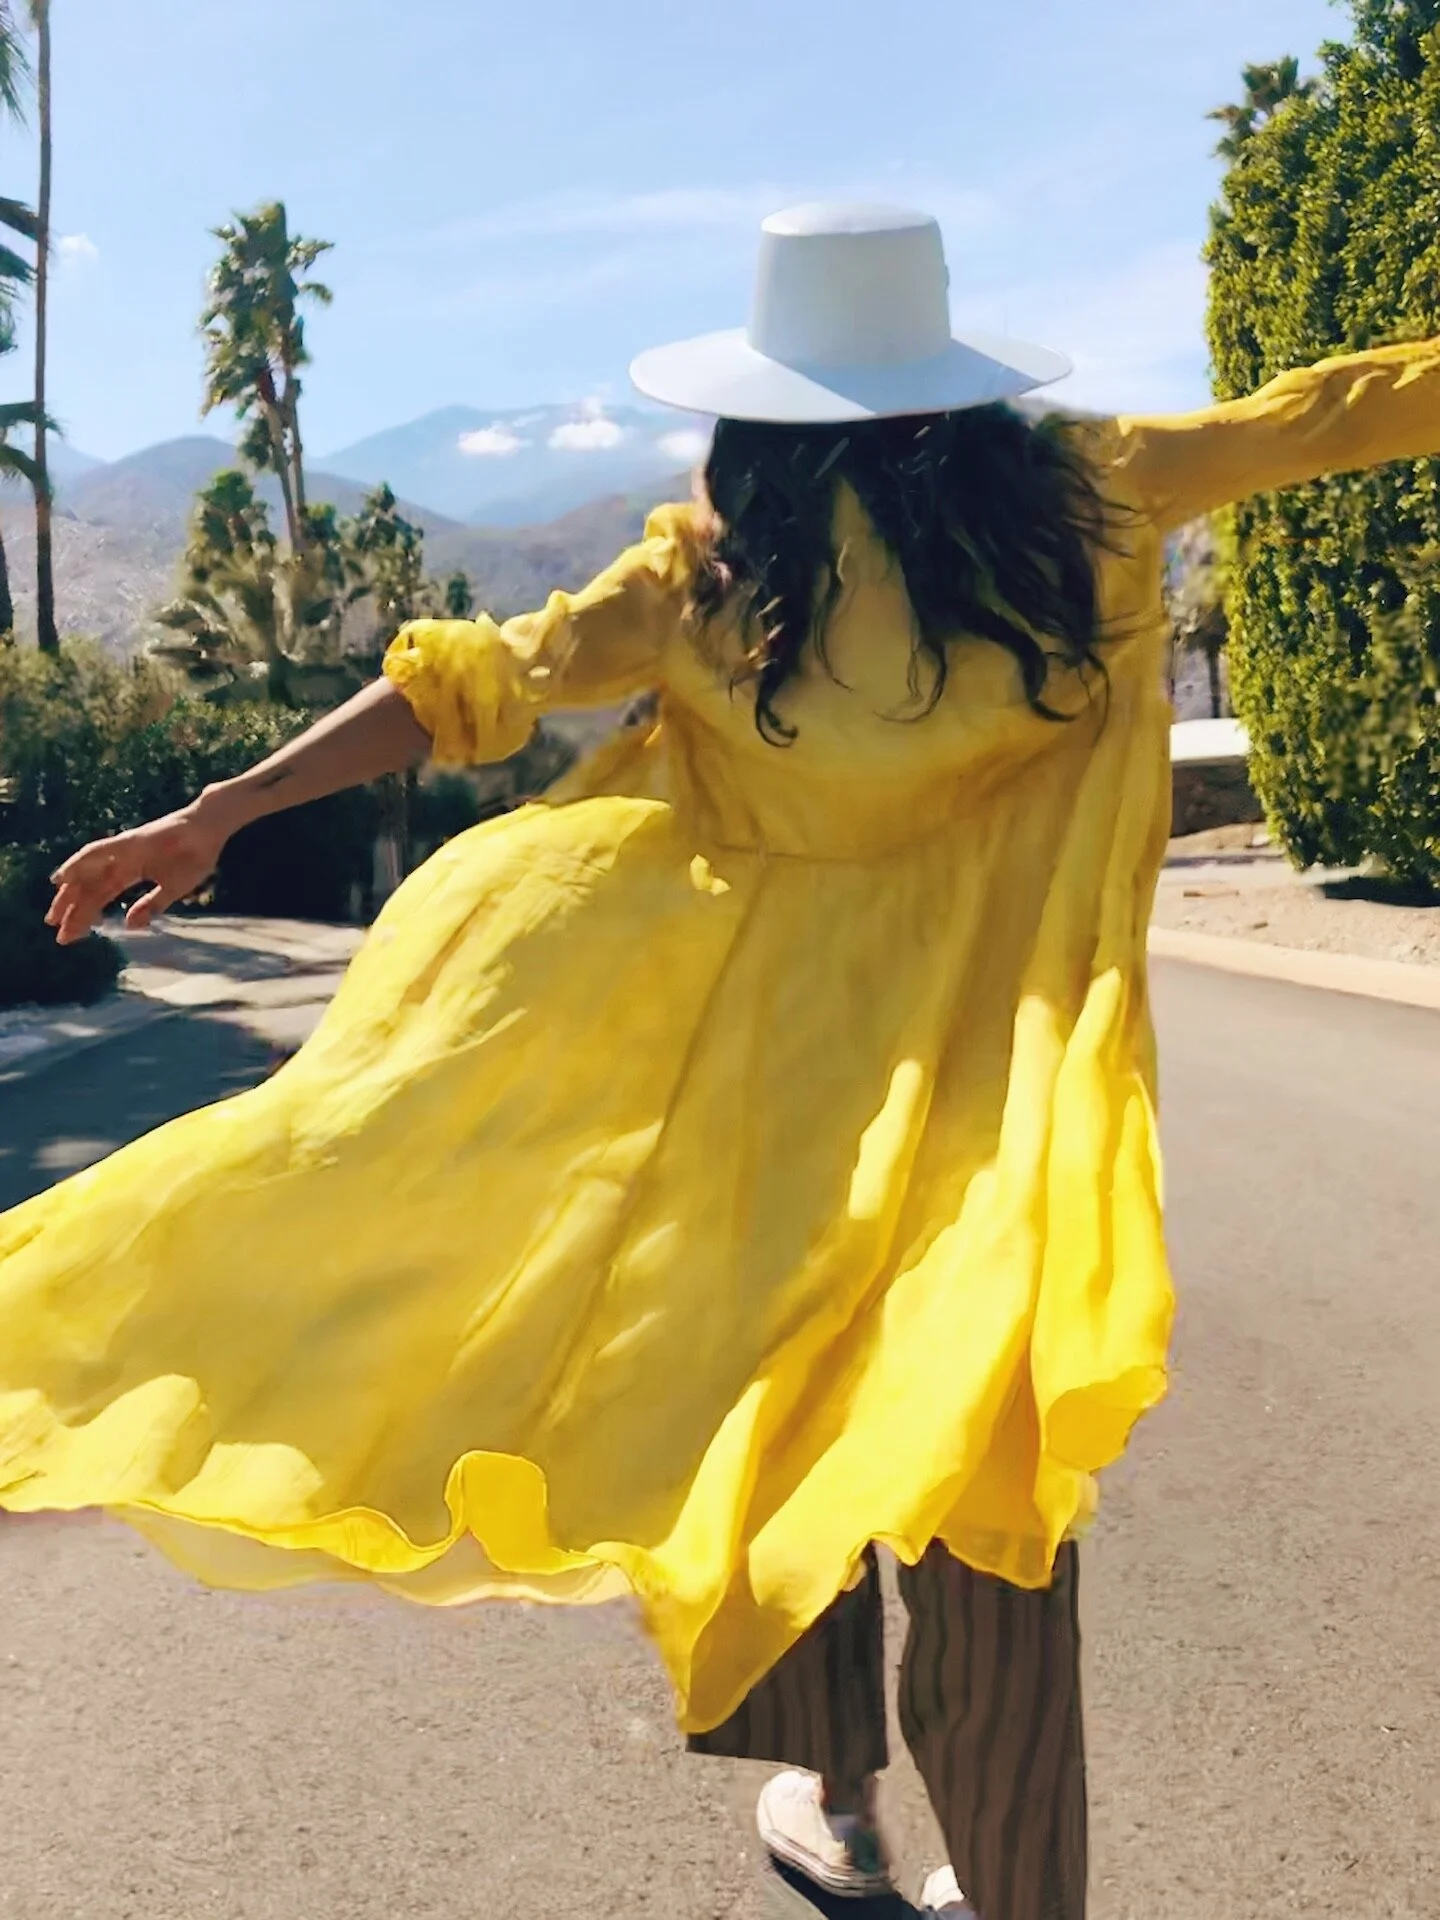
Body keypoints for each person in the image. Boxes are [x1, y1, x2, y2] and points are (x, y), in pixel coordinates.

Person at [4, 202, 1439, 1919]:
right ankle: (1020, 1888)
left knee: (779, 1435)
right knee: (983, 1491)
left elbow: (466, 687)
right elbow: (1332, 410)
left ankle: (841, 1805)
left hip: (772, 1113)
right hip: (1000, 1106)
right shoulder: (1089, 500)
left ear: (759, 405)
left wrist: (220, 809)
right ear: (955, 373)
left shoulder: (713, 577)